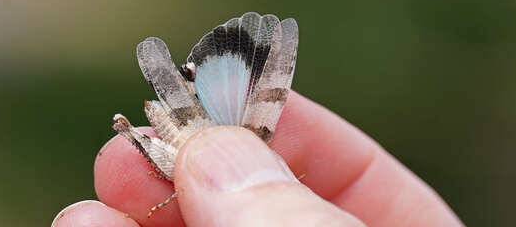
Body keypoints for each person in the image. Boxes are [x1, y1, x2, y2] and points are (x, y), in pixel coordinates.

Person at [52, 91, 464, 227]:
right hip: (184, 131)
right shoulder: (255, 143)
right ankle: (127, 127)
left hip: (179, 150)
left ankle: (125, 128)